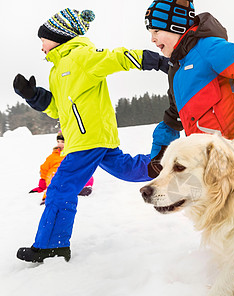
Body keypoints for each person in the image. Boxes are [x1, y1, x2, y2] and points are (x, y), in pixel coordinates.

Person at [13, 8, 169, 263]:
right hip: (88, 138)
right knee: (126, 169)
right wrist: (34, 96)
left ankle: (52, 245)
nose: (41, 45)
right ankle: (166, 164)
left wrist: (158, 61)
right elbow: (58, 109)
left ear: (59, 36)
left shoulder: (80, 56)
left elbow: (117, 57)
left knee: (61, 188)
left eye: (43, 39)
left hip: (88, 138)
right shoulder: (57, 70)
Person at [144, 0, 234, 177]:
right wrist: (161, 153)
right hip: (211, 165)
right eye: (150, 33)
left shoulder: (207, 48)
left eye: (156, 31)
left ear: (175, 25)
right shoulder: (175, 71)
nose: (152, 38)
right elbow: (175, 116)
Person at [29, 131, 94, 206]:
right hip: (56, 175)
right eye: (58, 141)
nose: (59, 144)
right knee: (54, 178)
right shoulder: (53, 156)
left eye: (63, 142)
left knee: (82, 173)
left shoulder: (75, 154)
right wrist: (42, 184)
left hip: (70, 175)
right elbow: (44, 169)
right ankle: (49, 197)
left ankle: (82, 187)